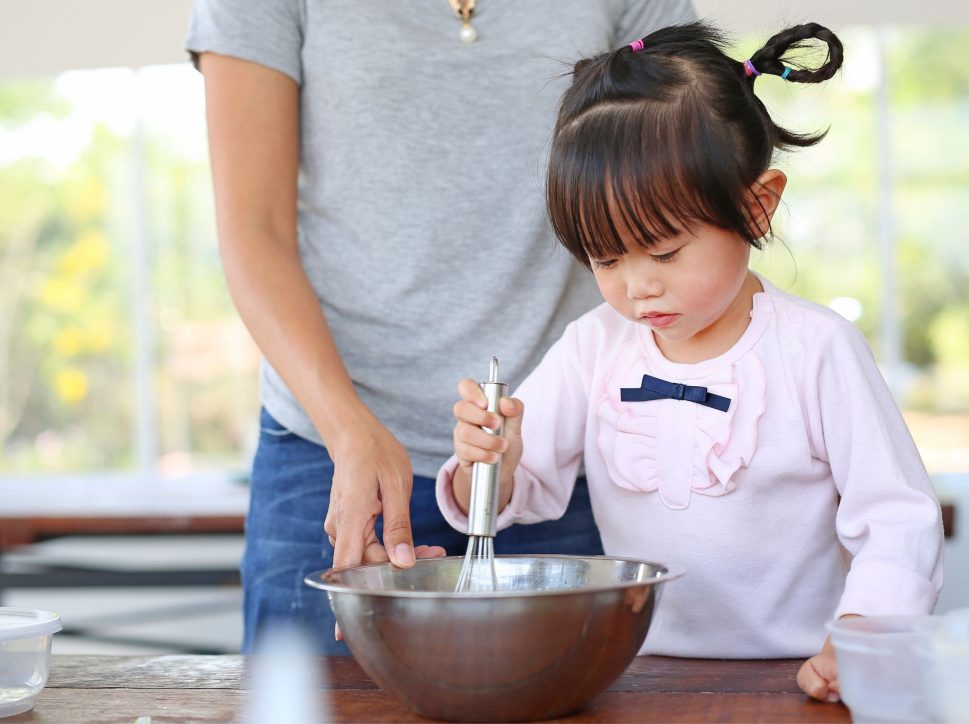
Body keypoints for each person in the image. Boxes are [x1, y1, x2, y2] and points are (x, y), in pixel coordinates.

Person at [439, 20, 944, 703]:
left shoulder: (817, 349)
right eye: (605, 259)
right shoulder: (594, 347)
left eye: (666, 252)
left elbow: (898, 517)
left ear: (757, 205)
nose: (637, 286)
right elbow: (505, 499)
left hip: (800, 678)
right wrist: (486, 464)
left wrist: (863, 633)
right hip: (633, 679)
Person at [185, 0, 697, 653]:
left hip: (560, 454)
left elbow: (689, 179)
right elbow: (252, 233)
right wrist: (349, 431)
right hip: (330, 447)